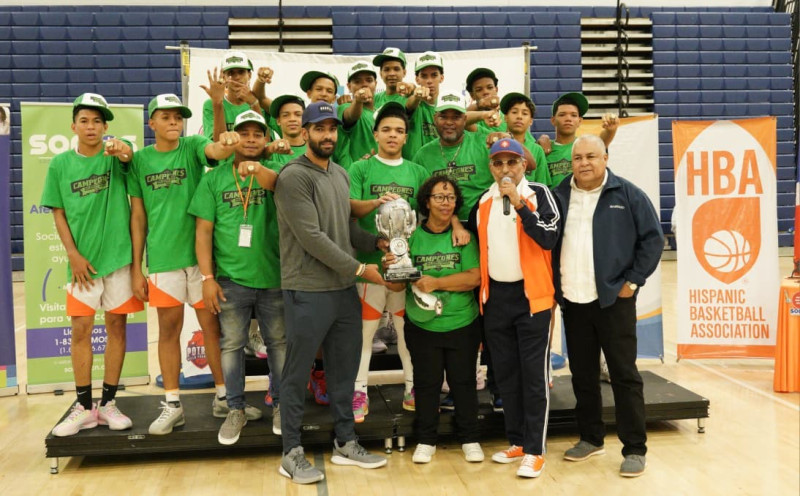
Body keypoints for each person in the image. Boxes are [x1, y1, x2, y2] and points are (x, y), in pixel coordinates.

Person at [274, 101, 388, 484]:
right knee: (297, 372)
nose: (327, 135)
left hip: (341, 290)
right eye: (319, 128)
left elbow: (346, 230)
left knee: (343, 369)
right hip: (307, 289)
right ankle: (291, 451)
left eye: (332, 128)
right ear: (304, 132)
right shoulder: (293, 176)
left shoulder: (339, 174)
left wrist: (379, 243)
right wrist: (360, 269)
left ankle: (345, 441)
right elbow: (311, 237)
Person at [128, 93, 245, 435]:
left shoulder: (192, 145)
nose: (174, 122)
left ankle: (224, 397)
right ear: (152, 123)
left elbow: (218, 151)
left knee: (212, 329)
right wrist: (138, 267)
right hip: (163, 262)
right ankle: (173, 403)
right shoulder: (139, 161)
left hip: (200, 262)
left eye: (178, 117)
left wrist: (225, 132)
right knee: (169, 332)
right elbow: (137, 217)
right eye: (166, 117)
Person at [552, 134, 663, 478]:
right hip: (574, 298)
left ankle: (634, 448)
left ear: (605, 158)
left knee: (624, 375)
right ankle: (590, 438)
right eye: (577, 158)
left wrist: (632, 282)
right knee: (582, 375)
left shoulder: (627, 194)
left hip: (613, 300)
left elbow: (653, 239)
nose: (584, 163)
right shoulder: (559, 194)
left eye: (591, 156)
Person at [44, 93, 144, 436]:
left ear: (106, 126)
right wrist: (72, 253)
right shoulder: (59, 164)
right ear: (74, 126)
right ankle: (84, 407)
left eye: (98, 121)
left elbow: (130, 154)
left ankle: (110, 403)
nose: (91, 126)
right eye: (85, 120)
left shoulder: (115, 153)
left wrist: (122, 150)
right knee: (81, 331)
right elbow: (57, 212)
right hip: (82, 265)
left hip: (118, 259)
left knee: (117, 327)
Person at [189, 110, 286, 445]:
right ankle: (235, 409)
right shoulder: (214, 178)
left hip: (275, 277)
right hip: (230, 279)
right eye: (243, 133)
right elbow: (203, 231)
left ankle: (282, 407)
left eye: (257, 134)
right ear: (235, 138)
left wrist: (263, 170)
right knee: (231, 345)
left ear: (266, 140)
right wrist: (207, 277)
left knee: (279, 345)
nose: (250, 139)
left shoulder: (277, 175)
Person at [467, 137, 560, 479]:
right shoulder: (482, 201)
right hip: (497, 300)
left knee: (534, 376)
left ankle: (536, 450)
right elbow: (475, 240)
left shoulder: (540, 193)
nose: (505, 169)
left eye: (512, 162)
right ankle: (518, 441)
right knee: (506, 375)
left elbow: (548, 236)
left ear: (524, 164)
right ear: (490, 167)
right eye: (498, 163)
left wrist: (520, 204)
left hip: (532, 298)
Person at [384, 176, 484, 465]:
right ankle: (426, 440)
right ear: (426, 201)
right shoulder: (411, 238)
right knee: (426, 385)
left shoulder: (463, 236)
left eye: (450, 197)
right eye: (439, 197)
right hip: (422, 325)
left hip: (461, 323)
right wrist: (391, 269)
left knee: (463, 383)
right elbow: (396, 287)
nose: (445, 202)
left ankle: (470, 438)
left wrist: (438, 282)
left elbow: (473, 278)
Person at [347, 102, 429, 422]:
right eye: (387, 130)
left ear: (406, 137)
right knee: (364, 333)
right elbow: (350, 212)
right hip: (370, 267)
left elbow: (425, 219)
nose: (392, 135)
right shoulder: (360, 169)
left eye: (399, 131)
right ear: (375, 133)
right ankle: (358, 390)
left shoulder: (417, 172)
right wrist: (378, 229)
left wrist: (408, 250)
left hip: (404, 268)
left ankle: (412, 387)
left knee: (408, 333)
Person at [537, 92, 618, 187]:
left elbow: (602, 142)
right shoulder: (543, 148)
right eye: (562, 114)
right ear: (553, 120)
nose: (568, 119)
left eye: (573, 115)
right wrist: (542, 139)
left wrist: (611, 130)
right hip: (552, 200)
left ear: (580, 121)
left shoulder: (585, 146)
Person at [201, 50, 267, 141]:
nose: (237, 77)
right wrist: (217, 103)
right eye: (231, 73)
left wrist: (254, 104)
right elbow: (217, 145)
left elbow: (265, 142)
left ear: (249, 75)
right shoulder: (210, 104)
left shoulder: (260, 103)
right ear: (224, 77)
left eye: (241, 72)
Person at [499, 92, 550, 186]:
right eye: (514, 112)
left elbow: (541, 185)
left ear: (531, 121)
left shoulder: (537, 149)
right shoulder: (497, 145)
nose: (519, 117)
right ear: (505, 117)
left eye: (525, 113)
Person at [337, 60, 379, 168]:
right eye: (357, 81)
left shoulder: (380, 113)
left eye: (369, 80)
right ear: (349, 86)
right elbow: (351, 116)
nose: (364, 84)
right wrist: (358, 100)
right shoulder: (344, 107)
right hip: (353, 177)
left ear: (376, 83)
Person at [264, 94, 306, 169]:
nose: (292, 119)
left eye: (298, 114)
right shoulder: (269, 150)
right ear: (278, 121)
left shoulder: (316, 149)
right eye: (286, 115)